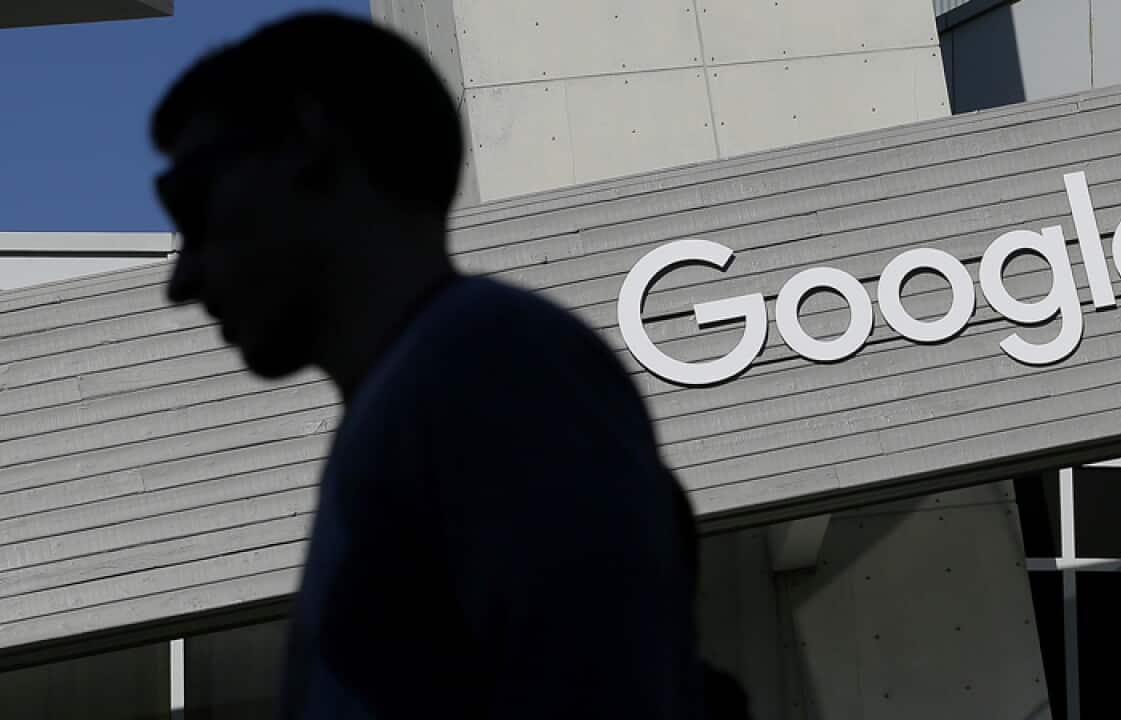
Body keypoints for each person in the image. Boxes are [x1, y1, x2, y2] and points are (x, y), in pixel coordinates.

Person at [150, 12, 728, 719]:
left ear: (306, 141)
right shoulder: (448, 387)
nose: (180, 283)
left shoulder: (492, 368)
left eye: (190, 204)